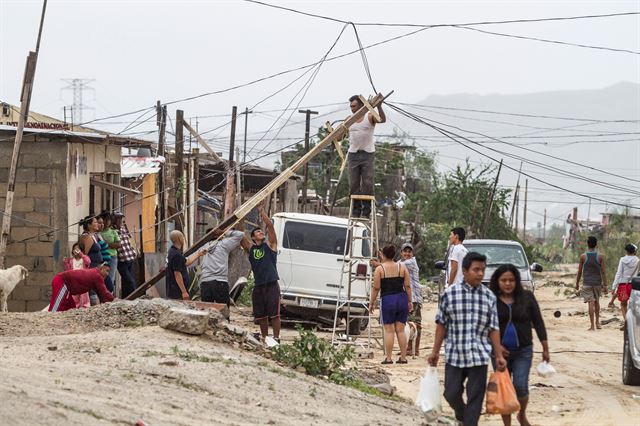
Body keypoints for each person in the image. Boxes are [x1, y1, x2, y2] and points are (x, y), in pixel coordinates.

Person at [427, 252, 507, 426]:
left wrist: (499, 355)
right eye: (476, 270)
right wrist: (435, 352)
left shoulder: (488, 296)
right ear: (464, 271)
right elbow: (441, 325)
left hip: (479, 356)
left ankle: (470, 422)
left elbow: (493, 328)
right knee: (451, 393)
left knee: (475, 398)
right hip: (455, 355)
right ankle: (462, 416)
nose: (480, 274)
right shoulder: (449, 294)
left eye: (483, 270)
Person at [490, 264, 550, 426]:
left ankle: (521, 414)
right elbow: (484, 326)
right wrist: (496, 348)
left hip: (524, 351)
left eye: (511, 280)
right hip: (500, 354)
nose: (508, 284)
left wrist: (545, 348)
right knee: (504, 389)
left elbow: (538, 322)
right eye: (504, 280)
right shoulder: (490, 299)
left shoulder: (527, 297)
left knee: (520, 387)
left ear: (516, 281)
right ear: (498, 281)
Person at [241, 204, 281, 342]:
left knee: (274, 315)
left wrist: (261, 212)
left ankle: (276, 339)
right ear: (253, 238)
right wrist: (241, 214)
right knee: (261, 316)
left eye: (261, 231)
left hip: (271, 285)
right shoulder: (251, 248)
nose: (261, 232)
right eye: (257, 232)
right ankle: (264, 338)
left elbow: (270, 226)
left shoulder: (271, 245)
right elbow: (240, 234)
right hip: (259, 286)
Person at [370, 244, 412, 364]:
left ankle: (388, 358)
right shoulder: (402, 267)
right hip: (402, 298)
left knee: (389, 330)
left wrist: (371, 303)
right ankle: (403, 358)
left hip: (388, 299)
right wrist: (410, 301)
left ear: (383, 254)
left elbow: (376, 288)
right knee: (400, 329)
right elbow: (407, 286)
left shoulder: (380, 269)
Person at [346, 94, 386, 217]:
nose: (352, 109)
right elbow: (340, 135)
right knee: (354, 184)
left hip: (367, 154)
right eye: (351, 106)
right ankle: (356, 210)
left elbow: (381, 120)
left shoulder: (369, 117)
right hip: (353, 155)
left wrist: (379, 106)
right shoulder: (349, 119)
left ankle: (366, 210)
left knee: (367, 183)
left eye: (354, 106)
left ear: (362, 106)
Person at [200, 225, 245, 306]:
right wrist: (222, 232)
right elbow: (240, 234)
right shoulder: (223, 244)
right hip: (219, 282)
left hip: (205, 282)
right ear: (218, 235)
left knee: (206, 311)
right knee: (223, 311)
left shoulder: (203, 247)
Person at [49, 263, 114, 312]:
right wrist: (114, 299)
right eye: (106, 271)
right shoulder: (97, 276)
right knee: (55, 309)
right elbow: (104, 292)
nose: (107, 274)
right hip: (61, 281)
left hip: (65, 285)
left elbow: (101, 294)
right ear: (101, 268)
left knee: (70, 308)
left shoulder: (94, 274)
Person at [575, 236, 607, 331]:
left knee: (590, 303)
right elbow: (603, 272)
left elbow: (579, 272)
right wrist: (605, 285)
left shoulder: (583, 256)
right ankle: (597, 323)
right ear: (596, 244)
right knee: (597, 302)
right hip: (597, 283)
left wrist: (577, 283)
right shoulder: (600, 256)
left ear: (587, 244)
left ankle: (592, 326)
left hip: (587, 283)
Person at [166, 230, 206, 301]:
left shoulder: (173, 251)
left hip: (174, 290)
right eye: (182, 237)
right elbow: (177, 274)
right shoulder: (176, 255)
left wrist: (198, 254)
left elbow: (187, 262)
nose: (183, 239)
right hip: (177, 292)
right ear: (179, 238)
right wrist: (184, 292)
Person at [79, 215, 109, 303]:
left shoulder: (93, 236)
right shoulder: (87, 237)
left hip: (98, 267)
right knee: (93, 291)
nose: (97, 224)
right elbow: (85, 255)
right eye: (95, 222)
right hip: (91, 268)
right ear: (89, 225)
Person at [400, 242, 422, 356]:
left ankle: (415, 349)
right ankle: (408, 348)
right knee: (407, 323)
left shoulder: (411, 262)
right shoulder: (402, 263)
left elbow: (395, 266)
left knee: (416, 323)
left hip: (415, 297)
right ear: (401, 253)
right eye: (405, 251)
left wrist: (381, 263)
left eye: (409, 251)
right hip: (407, 297)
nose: (407, 253)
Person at [610, 244, 639, 329]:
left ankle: (627, 323)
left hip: (623, 284)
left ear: (626, 251)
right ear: (634, 251)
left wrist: (614, 287)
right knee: (633, 305)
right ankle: (634, 324)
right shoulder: (637, 260)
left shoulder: (622, 260)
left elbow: (618, 273)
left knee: (623, 305)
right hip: (634, 285)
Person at [114, 213, 138, 299]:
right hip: (122, 260)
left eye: (121, 218)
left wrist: (135, 251)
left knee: (126, 281)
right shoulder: (113, 231)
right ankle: (135, 297)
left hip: (130, 257)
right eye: (118, 219)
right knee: (130, 281)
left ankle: (126, 298)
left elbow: (130, 240)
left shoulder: (124, 227)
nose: (120, 221)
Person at [63, 242, 91, 308]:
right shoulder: (71, 260)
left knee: (84, 296)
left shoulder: (84, 258)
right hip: (74, 281)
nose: (76, 251)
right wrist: (66, 263)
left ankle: (85, 307)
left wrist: (81, 255)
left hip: (83, 281)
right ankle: (75, 307)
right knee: (75, 296)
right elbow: (69, 271)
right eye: (74, 249)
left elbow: (88, 262)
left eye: (78, 249)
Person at [100, 212, 121, 291]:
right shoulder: (98, 233)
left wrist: (106, 244)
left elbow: (118, 245)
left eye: (108, 220)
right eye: (104, 220)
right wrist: (110, 245)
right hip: (101, 258)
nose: (106, 222)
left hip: (112, 257)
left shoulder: (113, 232)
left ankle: (109, 295)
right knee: (101, 279)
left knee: (110, 278)